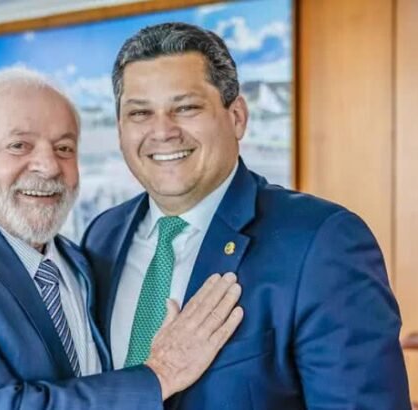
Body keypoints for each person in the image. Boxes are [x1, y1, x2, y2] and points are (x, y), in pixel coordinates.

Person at [0, 67, 244, 410]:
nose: (48, 167)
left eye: (64, 148)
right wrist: (160, 374)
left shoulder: (80, 261)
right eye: (19, 146)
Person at [81, 22, 411, 409]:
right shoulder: (103, 235)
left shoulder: (322, 242)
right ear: (120, 128)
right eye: (140, 113)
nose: (163, 131)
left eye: (185, 108)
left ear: (237, 116)